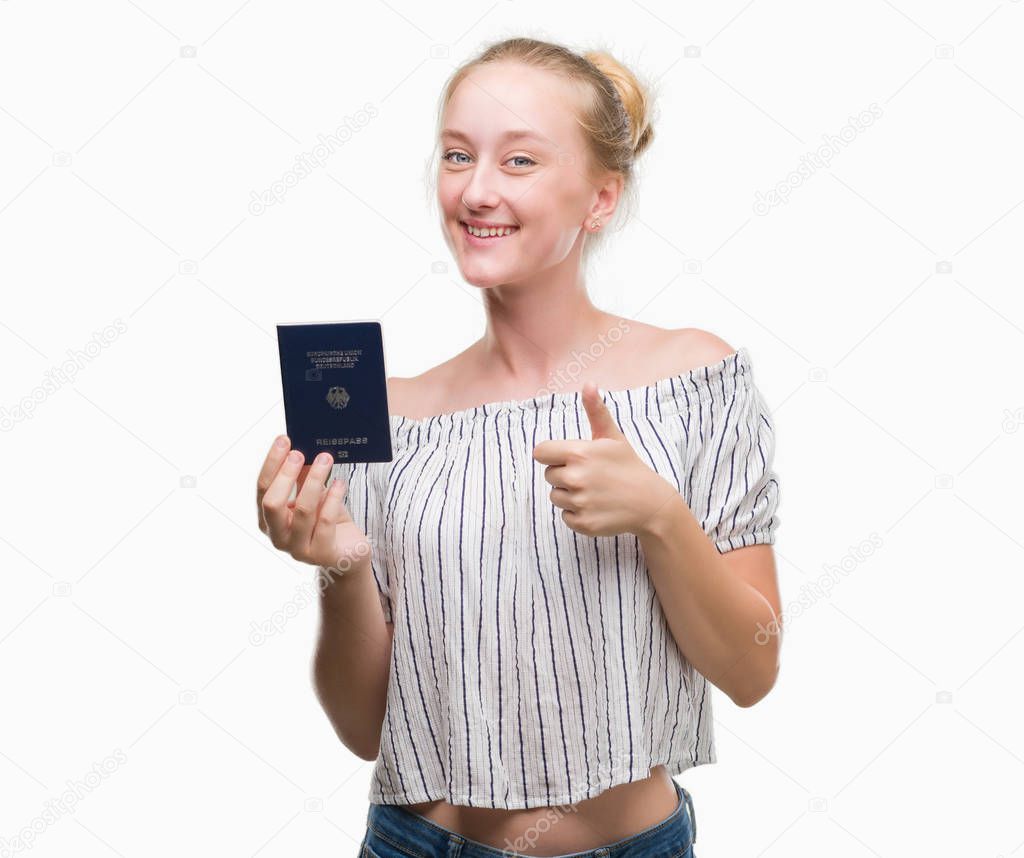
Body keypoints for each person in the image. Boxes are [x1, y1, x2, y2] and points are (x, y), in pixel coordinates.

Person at [257, 36, 783, 858]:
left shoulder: (695, 379)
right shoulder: (387, 416)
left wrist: (660, 517)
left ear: (600, 199)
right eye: (458, 155)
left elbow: (753, 672)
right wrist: (341, 563)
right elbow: (365, 730)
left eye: (521, 161)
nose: (475, 190)